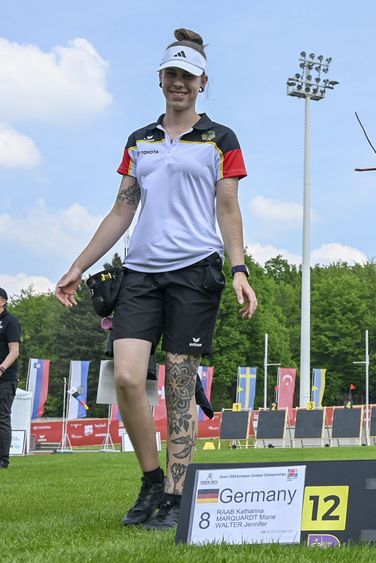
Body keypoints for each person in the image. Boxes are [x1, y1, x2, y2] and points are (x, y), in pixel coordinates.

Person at [55, 29, 257, 529]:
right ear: (160, 79)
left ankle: (176, 494)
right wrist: (78, 265)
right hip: (140, 271)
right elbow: (123, 208)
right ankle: (150, 483)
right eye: (171, 74)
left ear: (202, 81)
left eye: (187, 76)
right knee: (126, 378)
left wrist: (239, 268)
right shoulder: (139, 140)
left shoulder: (220, 139)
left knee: (181, 386)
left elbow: (227, 205)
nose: (179, 83)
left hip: (195, 271)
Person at [0, 287, 22, 469]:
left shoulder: (10, 322)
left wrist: (1, 369)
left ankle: (3, 461)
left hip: (5, 379)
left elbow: (14, 351)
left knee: (2, 417)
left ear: (2, 301)